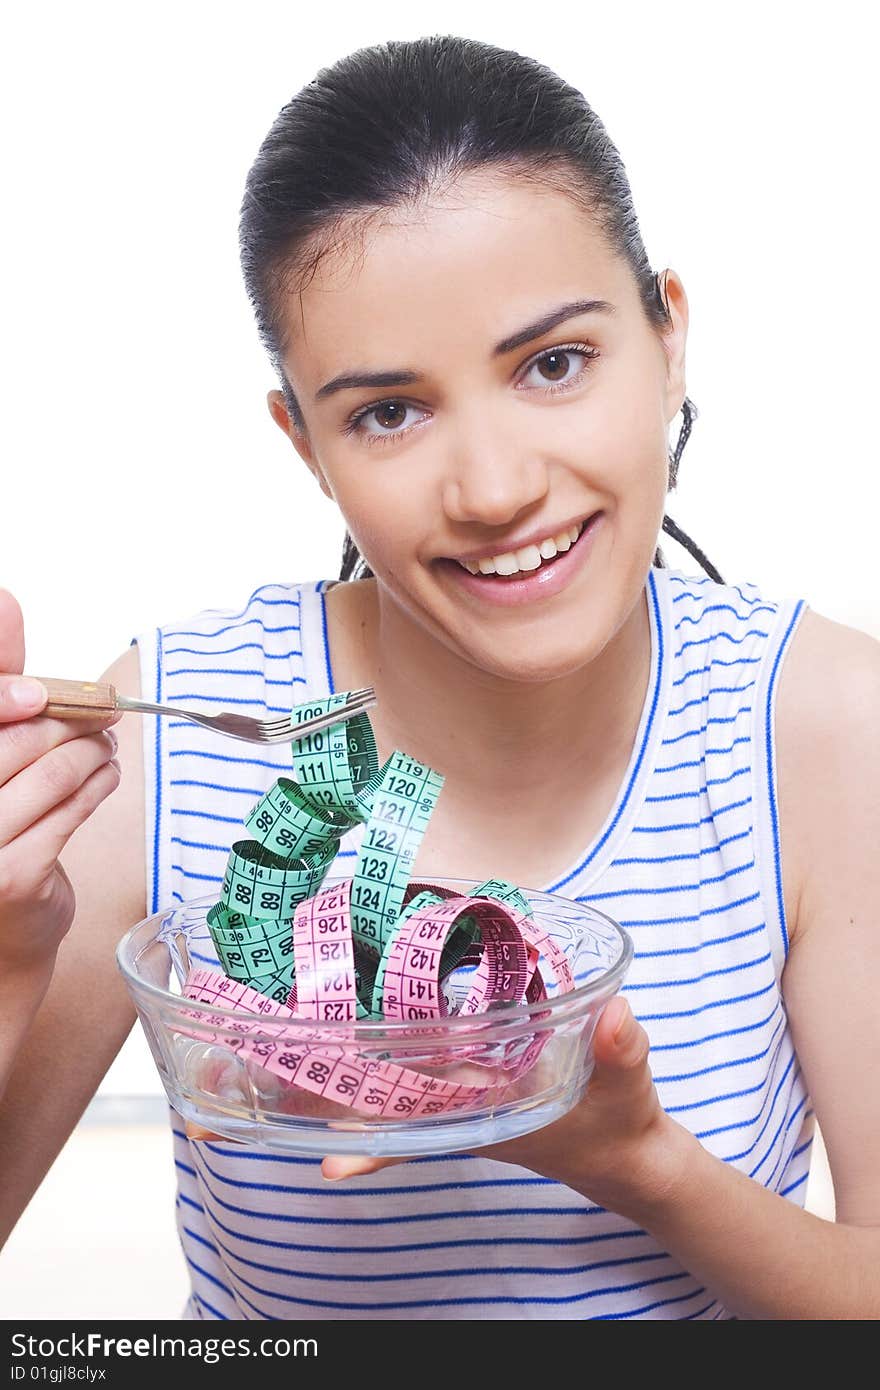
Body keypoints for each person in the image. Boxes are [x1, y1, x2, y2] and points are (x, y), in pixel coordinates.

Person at [1, 34, 878, 1322]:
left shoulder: (826, 730)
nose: (495, 488)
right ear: (303, 441)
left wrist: (643, 1165)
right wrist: (11, 957)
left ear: (668, 336)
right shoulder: (180, 736)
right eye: (387, 412)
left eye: (555, 363)